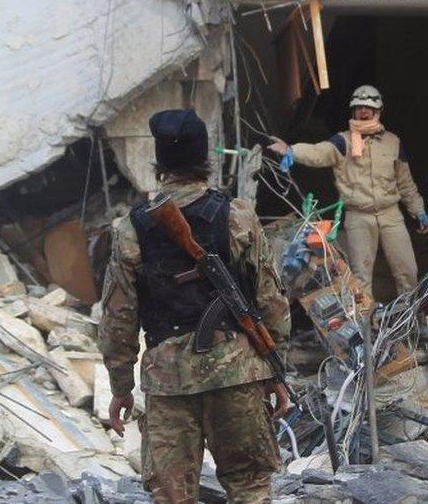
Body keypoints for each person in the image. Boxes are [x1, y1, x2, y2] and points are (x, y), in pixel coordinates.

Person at [99, 109, 290, 503]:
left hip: (169, 384)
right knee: (250, 487)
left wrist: (120, 386)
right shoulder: (238, 217)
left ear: (159, 164)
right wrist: (275, 370)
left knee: (172, 495)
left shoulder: (131, 229)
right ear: (205, 159)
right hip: (236, 375)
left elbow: (118, 317)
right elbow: (271, 299)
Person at [268, 85, 428, 299]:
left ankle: (410, 323)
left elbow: (405, 181)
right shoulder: (342, 142)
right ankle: (367, 330)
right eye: (358, 108)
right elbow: (318, 153)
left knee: (407, 271)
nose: (363, 112)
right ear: (352, 112)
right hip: (359, 217)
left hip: (391, 214)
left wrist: (418, 210)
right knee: (361, 278)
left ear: (378, 111)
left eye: (368, 108)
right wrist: (292, 150)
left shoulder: (393, 142)